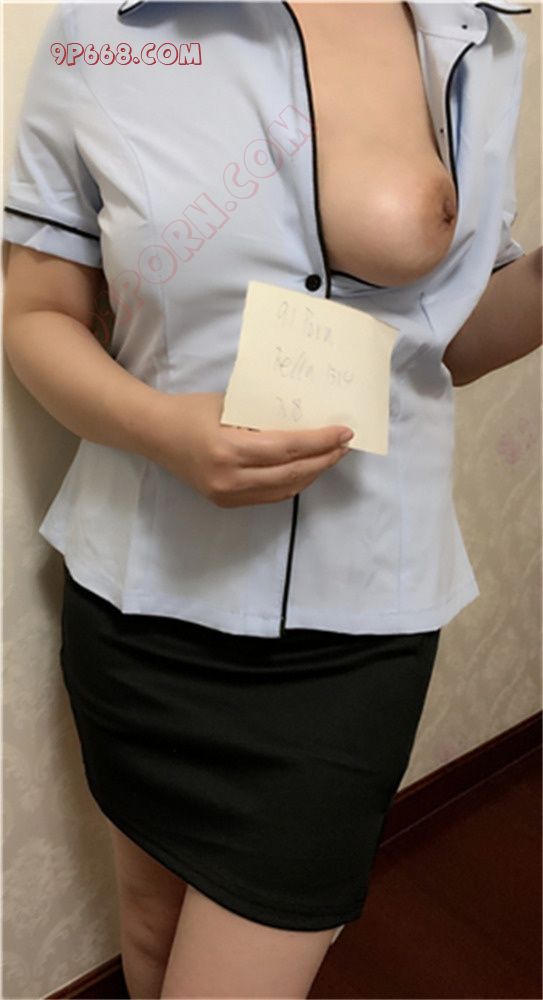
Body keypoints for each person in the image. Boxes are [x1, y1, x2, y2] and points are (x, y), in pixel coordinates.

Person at [3, 1, 538, 998]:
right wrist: (162, 429)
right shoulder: (105, 32)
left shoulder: (478, 34)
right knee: (150, 930)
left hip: (357, 622)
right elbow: (36, 314)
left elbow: (451, 342)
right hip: (145, 598)